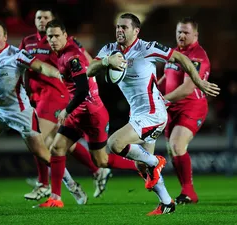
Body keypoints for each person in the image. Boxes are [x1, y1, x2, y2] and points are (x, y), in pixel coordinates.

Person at [87, 13, 220, 215]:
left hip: (153, 113)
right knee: (141, 166)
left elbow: (181, 57)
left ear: (136, 31)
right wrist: (107, 61)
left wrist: (199, 82)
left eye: (124, 27)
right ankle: (166, 202)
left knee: (114, 144)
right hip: (138, 114)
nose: (119, 30)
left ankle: (156, 162)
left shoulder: (146, 48)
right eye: (118, 27)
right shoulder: (109, 50)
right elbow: (89, 70)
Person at [38, 19, 165, 210]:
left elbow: (82, 89)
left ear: (66, 35)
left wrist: (66, 110)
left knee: (102, 160)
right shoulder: (62, 54)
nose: (53, 40)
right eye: (50, 37)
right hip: (79, 112)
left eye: (57, 35)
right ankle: (56, 197)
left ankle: (143, 165)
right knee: (57, 148)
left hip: (91, 113)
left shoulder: (72, 56)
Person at [0, 19, 84, 207]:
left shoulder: (16, 54)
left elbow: (40, 67)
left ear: (5, 37)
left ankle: (72, 185)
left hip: (20, 113)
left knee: (43, 154)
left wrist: (59, 74)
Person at [19, 8, 111, 201]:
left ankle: (44, 184)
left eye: (46, 17)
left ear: (55, 23)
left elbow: (85, 62)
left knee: (37, 139)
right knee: (61, 145)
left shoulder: (63, 42)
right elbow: (25, 66)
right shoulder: (27, 41)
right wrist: (25, 88)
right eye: (38, 17)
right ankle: (97, 171)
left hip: (56, 95)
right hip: (37, 96)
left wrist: (91, 79)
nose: (42, 21)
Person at [158, 17, 214, 204]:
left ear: (195, 34)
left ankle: (189, 192)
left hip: (192, 106)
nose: (181, 35)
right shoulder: (174, 52)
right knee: (173, 150)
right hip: (171, 108)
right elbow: (166, 78)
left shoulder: (197, 56)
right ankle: (186, 191)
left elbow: (188, 88)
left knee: (176, 145)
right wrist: (152, 92)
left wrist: (161, 100)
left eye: (186, 32)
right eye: (179, 32)